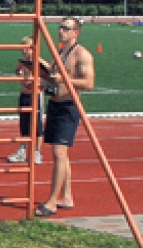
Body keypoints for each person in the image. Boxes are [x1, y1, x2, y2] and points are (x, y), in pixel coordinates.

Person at [36, 18, 95, 217]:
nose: (61, 31)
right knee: (61, 154)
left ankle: (52, 201)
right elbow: (53, 78)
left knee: (59, 152)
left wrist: (63, 78)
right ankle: (67, 196)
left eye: (66, 28)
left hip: (69, 106)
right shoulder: (59, 52)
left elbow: (88, 83)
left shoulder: (82, 54)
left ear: (75, 32)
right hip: (55, 104)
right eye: (60, 27)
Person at [9, 36, 46, 165]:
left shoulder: (39, 62)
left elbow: (48, 77)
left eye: (27, 48)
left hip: (36, 96)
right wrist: (20, 74)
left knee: (37, 126)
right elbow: (17, 70)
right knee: (24, 124)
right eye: (23, 48)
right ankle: (22, 151)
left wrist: (36, 83)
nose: (24, 51)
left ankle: (37, 152)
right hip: (24, 95)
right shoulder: (24, 62)